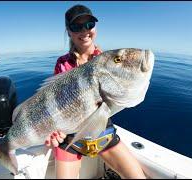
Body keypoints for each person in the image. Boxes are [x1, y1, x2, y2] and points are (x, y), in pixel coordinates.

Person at [45, 4, 147, 179]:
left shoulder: (109, 60)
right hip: (70, 140)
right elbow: (55, 105)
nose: (84, 31)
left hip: (102, 134)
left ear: (95, 27)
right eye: (77, 27)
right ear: (69, 32)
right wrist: (53, 131)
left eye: (89, 25)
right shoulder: (63, 63)